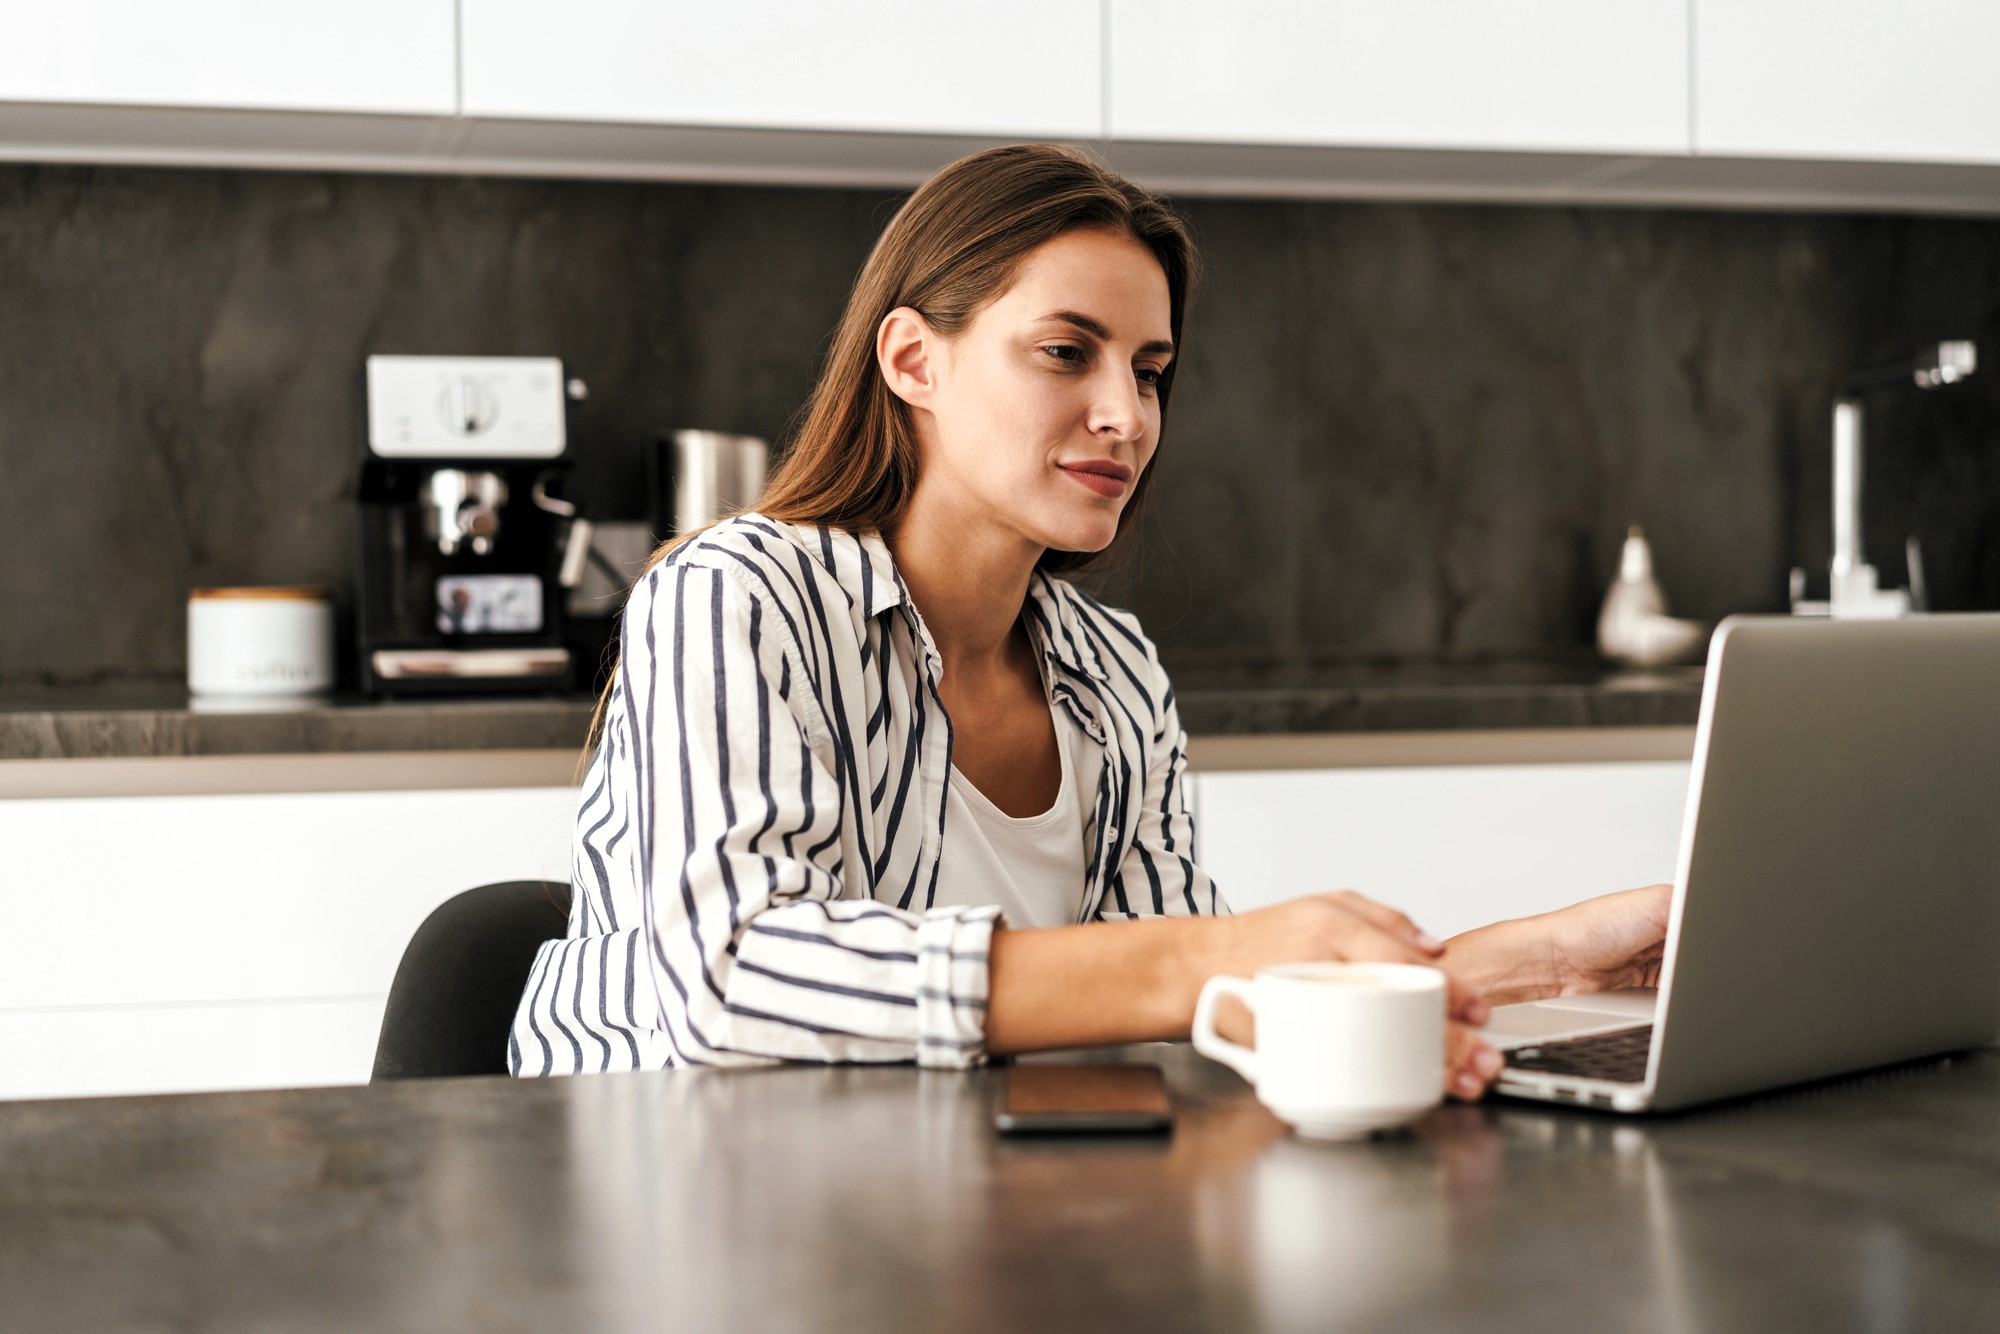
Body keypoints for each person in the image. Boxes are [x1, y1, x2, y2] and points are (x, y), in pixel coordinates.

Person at [508, 144, 1669, 1098]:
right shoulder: (737, 593)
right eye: (1067, 352)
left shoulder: (1110, 672)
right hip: (673, 1218)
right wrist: (1216, 953)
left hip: (966, 1215)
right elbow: (731, 977)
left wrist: (1520, 962)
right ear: (913, 359)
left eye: (1150, 369)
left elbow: (1192, 1015)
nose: (1125, 413)